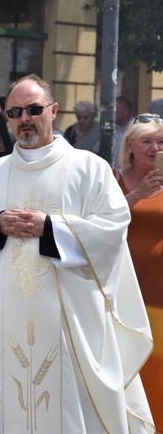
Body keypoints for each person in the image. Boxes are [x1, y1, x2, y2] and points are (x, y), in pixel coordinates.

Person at [0, 74, 155, 433]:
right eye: (15, 111)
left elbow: (112, 227)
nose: (24, 117)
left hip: (69, 322)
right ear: (7, 117)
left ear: (53, 111)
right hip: (2, 321)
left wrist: (51, 228)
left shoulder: (89, 169)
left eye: (34, 109)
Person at [113, 113, 163, 428]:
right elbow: (100, 222)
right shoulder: (112, 178)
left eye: (160, 142)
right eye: (147, 141)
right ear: (130, 145)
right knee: (131, 375)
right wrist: (140, 194)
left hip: (161, 301)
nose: (154, 148)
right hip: (125, 299)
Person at [114, 95, 135, 166]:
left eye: (116, 108)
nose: (112, 111)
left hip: (132, 173)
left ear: (125, 110)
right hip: (112, 173)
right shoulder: (109, 128)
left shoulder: (137, 127)